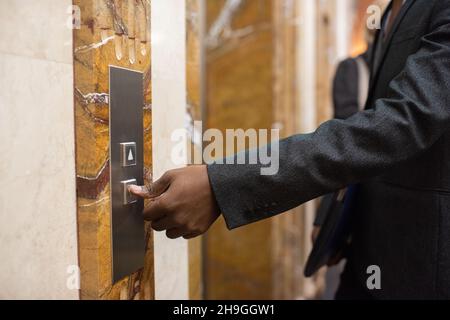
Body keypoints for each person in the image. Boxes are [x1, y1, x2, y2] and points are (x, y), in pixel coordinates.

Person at [130, 0, 450, 299]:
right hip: (365, 249)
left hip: (420, 264)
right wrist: (333, 216)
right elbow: (364, 126)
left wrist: (223, 185)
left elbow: (400, 124)